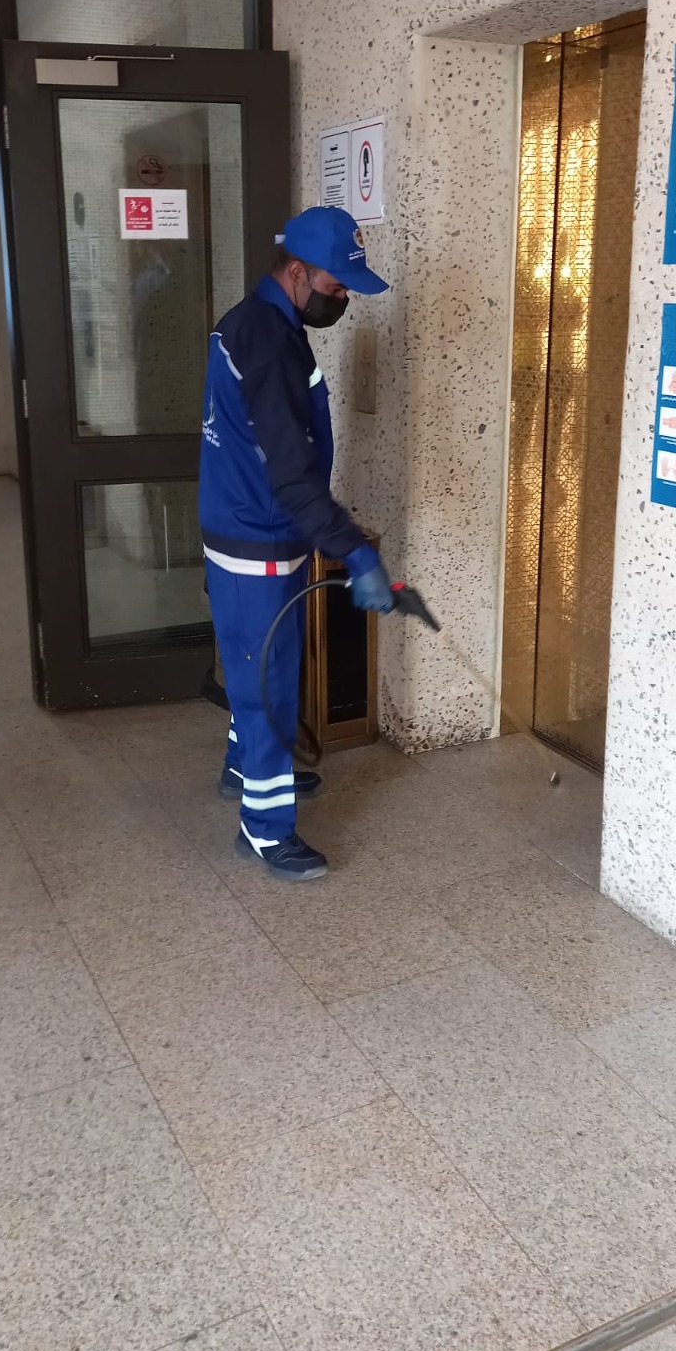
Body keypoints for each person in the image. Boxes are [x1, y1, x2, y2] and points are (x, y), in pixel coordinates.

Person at [199, 206, 394, 881]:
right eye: (336, 286)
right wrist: (357, 553)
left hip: (248, 526)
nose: (342, 299)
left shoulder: (260, 324)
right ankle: (264, 828)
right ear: (297, 273)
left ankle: (246, 766)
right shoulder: (269, 344)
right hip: (256, 537)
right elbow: (290, 474)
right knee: (269, 682)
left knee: (254, 666)